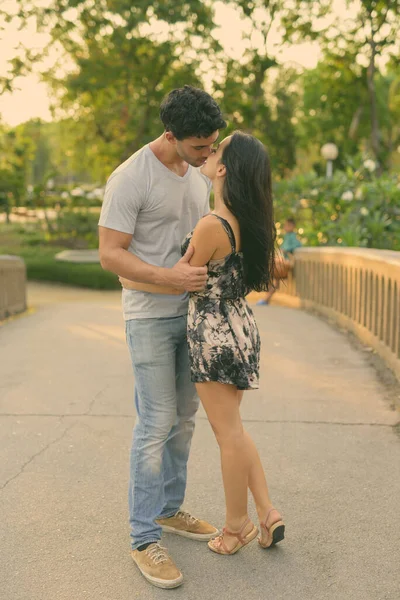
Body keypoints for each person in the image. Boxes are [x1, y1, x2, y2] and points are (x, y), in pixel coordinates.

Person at [123, 131, 285, 556]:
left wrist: (131, 277)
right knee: (233, 428)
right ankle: (267, 511)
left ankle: (236, 528)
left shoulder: (212, 226)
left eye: (217, 150)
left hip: (212, 335)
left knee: (226, 433)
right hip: (239, 326)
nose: (209, 154)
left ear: (224, 169)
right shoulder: (249, 221)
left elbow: (182, 276)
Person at [98, 85, 226, 589]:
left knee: (186, 419)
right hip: (149, 315)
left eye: (212, 145)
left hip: (194, 316)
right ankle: (143, 537)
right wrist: (168, 278)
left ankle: (171, 509)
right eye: (200, 147)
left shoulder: (197, 174)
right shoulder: (131, 177)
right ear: (171, 135)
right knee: (155, 423)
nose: (207, 155)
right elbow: (110, 252)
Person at [257, 216, 302, 305]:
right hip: (281, 262)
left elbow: (297, 245)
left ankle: (266, 299)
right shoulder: (287, 236)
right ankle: (266, 298)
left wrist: (286, 249)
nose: (285, 227)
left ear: (292, 226)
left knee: (275, 281)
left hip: (283, 263)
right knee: (271, 279)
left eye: (287, 225)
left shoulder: (292, 236)